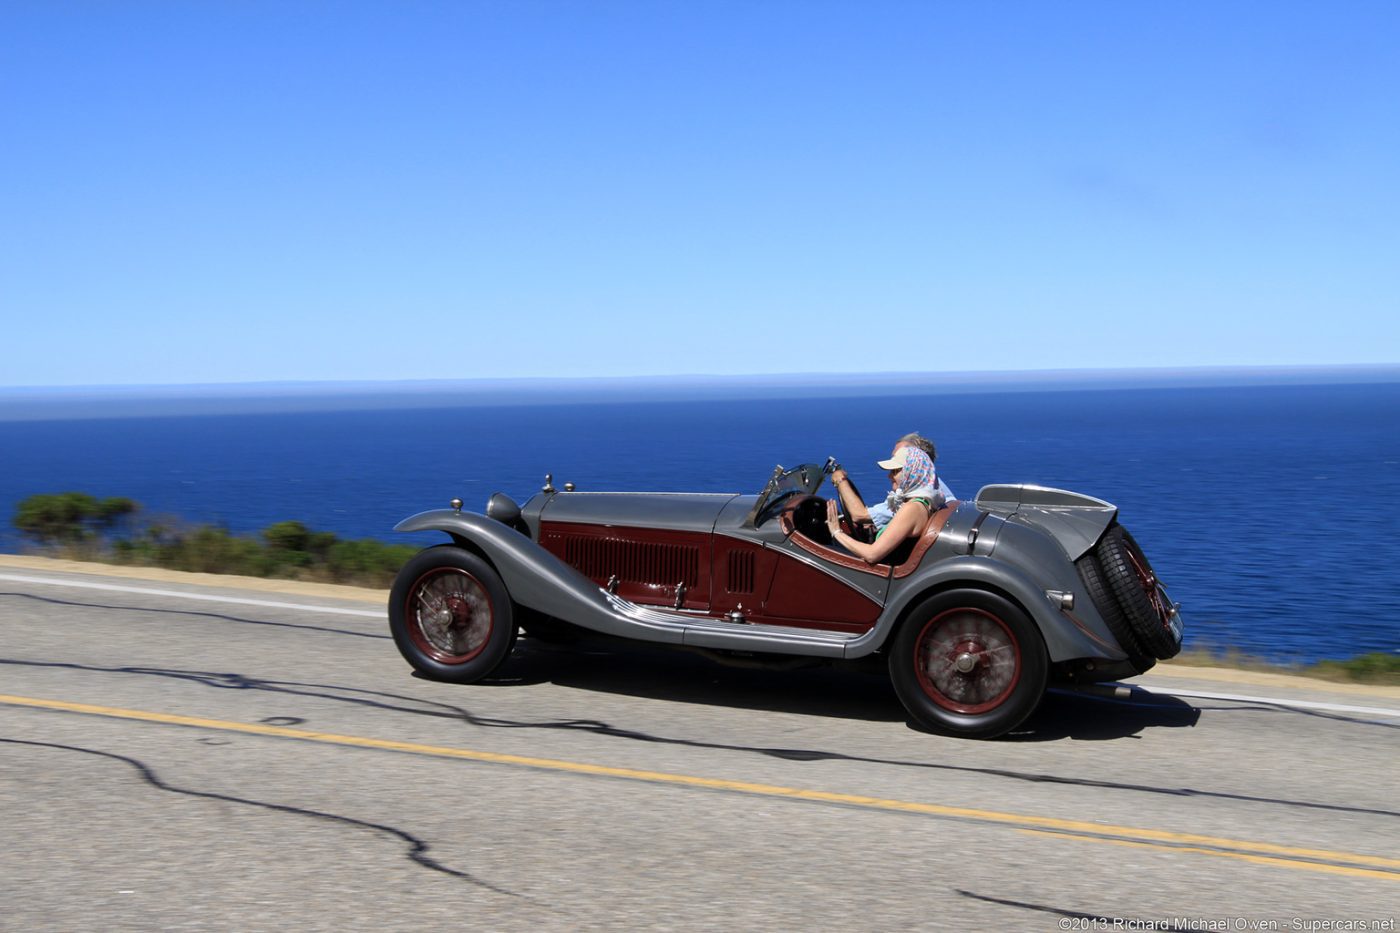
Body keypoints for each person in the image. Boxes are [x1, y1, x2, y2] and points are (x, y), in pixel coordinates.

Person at [825, 444, 940, 564]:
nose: (889, 476)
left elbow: (872, 555)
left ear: (912, 473)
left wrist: (836, 532)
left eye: (895, 471)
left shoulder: (912, 508)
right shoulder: (923, 503)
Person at [830, 432, 954, 533]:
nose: (890, 473)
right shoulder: (934, 488)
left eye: (899, 459)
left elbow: (859, 515)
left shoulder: (913, 499)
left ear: (914, 462)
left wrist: (840, 479)